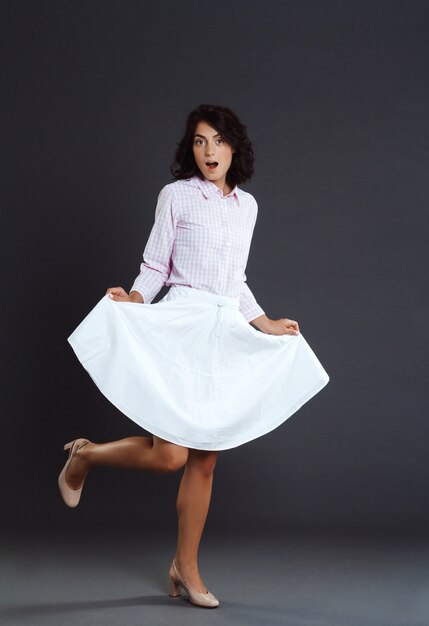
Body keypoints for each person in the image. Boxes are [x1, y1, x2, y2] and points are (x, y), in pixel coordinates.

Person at [59, 104, 329, 609]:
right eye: (200, 141)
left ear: (234, 148)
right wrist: (137, 299)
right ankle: (86, 456)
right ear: (192, 148)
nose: (209, 151)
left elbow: (236, 280)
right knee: (169, 457)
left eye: (219, 141)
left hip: (223, 333)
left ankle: (186, 568)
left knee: (203, 462)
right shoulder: (177, 196)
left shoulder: (247, 207)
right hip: (181, 327)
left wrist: (264, 322)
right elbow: (156, 263)